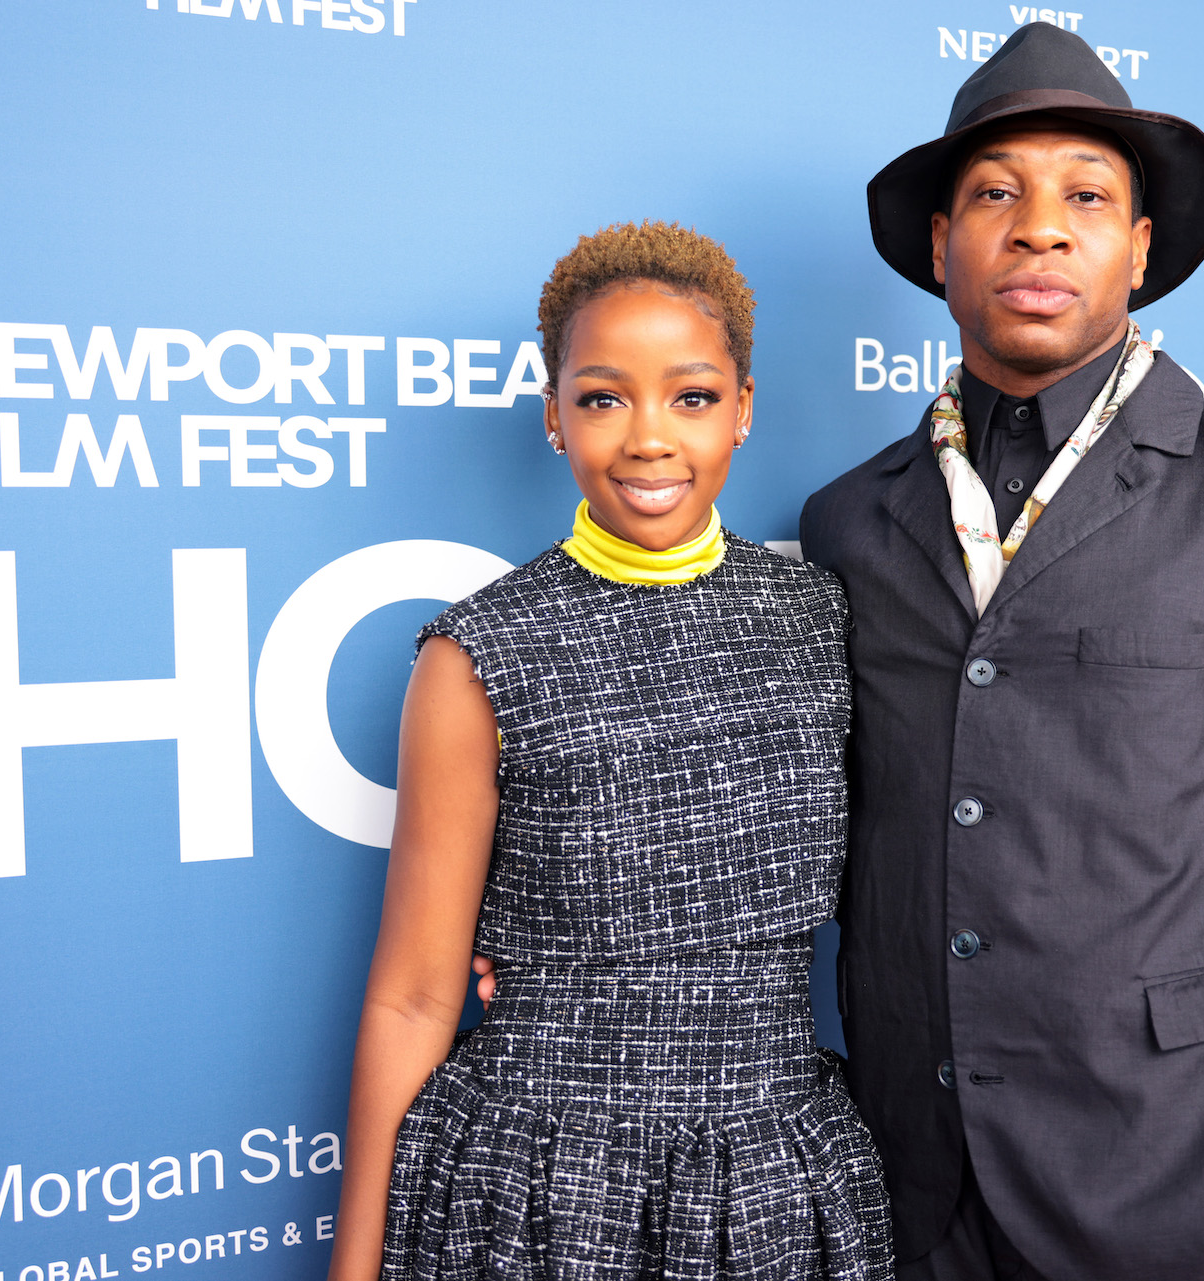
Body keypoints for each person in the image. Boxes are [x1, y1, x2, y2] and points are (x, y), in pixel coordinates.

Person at [796, 23, 1204, 1281]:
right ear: (941, 247)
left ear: (1139, 251)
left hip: (1178, 1178)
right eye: (996, 194)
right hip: (912, 1184)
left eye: (1086, 196)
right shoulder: (851, 519)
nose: (1040, 227)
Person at [328, 221, 893, 1281]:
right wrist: (355, 1268)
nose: (647, 438)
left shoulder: (822, 620)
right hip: (542, 1184)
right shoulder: (479, 650)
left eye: (690, 396)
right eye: (602, 397)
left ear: (743, 411)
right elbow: (411, 994)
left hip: (779, 1175)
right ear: (553, 417)